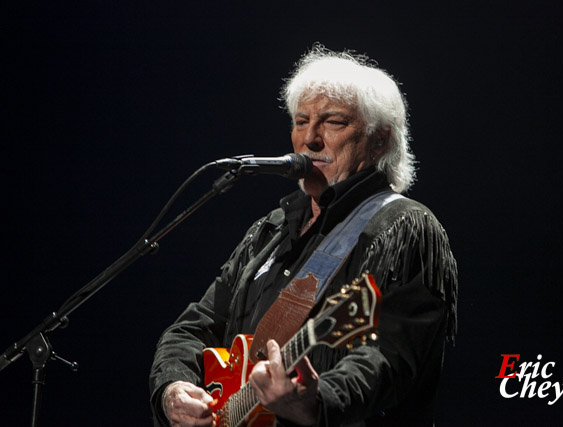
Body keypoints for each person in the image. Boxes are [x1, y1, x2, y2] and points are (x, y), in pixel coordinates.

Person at [149, 45, 458, 427]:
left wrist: (316, 403)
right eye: (300, 121)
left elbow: (390, 359)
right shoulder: (272, 229)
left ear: (379, 139)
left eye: (333, 122)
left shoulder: (402, 227)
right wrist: (172, 388)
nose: (309, 138)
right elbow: (195, 325)